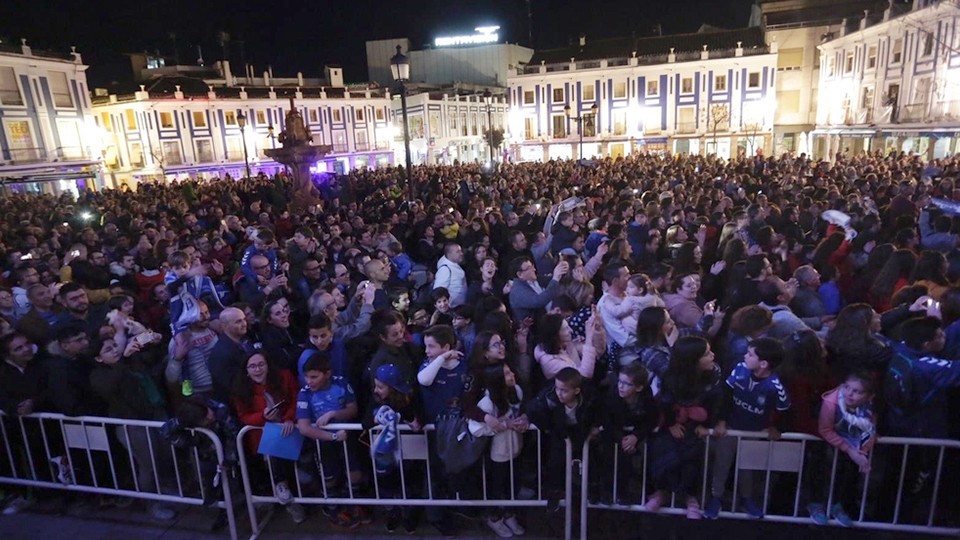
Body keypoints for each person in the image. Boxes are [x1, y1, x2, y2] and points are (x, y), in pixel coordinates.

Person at [704, 337, 791, 519]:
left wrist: (776, 428)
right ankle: (715, 498)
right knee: (721, 464)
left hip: (754, 432)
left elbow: (785, 411)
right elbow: (726, 396)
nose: (745, 355)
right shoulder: (739, 370)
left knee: (748, 468)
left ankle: (746, 499)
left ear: (764, 363)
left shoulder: (776, 387)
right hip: (731, 428)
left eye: (750, 354)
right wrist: (721, 421)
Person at [645, 336, 722, 519]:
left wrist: (709, 425)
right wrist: (671, 423)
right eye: (706, 354)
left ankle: (691, 497)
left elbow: (717, 402)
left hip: (698, 425)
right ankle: (659, 493)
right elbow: (664, 402)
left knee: (692, 459)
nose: (712, 356)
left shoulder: (714, 374)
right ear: (692, 360)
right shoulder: (671, 377)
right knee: (662, 452)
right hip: (672, 422)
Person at [231, 351, 305, 524]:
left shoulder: (284, 377)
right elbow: (243, 416)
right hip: (264, 437)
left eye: (261, 364)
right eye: (252, 366)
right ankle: (290, 501)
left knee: (297, 471)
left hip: (292, 428)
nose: (257, 369)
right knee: (280, 471)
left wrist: (289, 417)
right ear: (246, 370)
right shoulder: (240, 389)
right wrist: (263, 417)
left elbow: (297, 398)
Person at [295, 353, 362, 528]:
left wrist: (333, 414)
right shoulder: (304, 393)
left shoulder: (341, 383)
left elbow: (353, 409)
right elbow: (304, 427)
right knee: (329, 477)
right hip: (323, 442)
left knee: (354, 473)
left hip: (348, 437)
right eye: (307, 376)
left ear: (327, 374)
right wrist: (332, 436)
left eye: (314, 377)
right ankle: (333, 510)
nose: (309, 381)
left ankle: (352, 504)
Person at [468, 362, 528, 538]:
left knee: (513, 485)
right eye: (507, 374)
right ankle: (494, 518)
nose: (512, 375)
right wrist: (500, 425)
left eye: (510, 371)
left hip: (516, 447)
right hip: (496, 454)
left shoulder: (516, 391)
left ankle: (510, 514)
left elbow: (521, 409)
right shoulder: (487, 403)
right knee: (497, 487)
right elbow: (475, 428)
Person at [526, 367, 596, 511]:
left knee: (592, 461)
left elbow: (599, 411)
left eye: (564, 390)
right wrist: (549, 428)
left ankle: (593, 492)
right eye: (557, 388)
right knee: (555, 462)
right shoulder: (548, 396)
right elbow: (533, 410)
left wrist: (596, 426)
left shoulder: (589, 397)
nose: (559, 393)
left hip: (582, 433)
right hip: (559, 433)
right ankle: (554, 494)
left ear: (576, 391)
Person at [365, 363, 424, 534]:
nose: (377, 390)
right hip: (385, 456)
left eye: (381, 387)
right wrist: (378, 418)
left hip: (409, 453)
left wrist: (406, 418)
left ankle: (410, 513)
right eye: (376, 385)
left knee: (410, 483)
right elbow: (365, 421)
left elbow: (418, 422)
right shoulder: (374, 399)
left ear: (393, 388)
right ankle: (392, 513)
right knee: (387, 486)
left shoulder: (410, 399)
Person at [815, 371, 878, 527]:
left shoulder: (870, 408)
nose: (850, 394)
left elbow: (871, 431)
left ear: (869, 395)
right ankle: (818, 506)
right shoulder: (831, 402)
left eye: (857, 391)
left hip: (854, 446)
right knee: (825, 473)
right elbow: (825, 430)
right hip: (831, 443)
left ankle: (839, 506)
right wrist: (850, 450)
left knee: (849, 475)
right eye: (847, 388)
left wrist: (862, 452)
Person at [595, 362, 657, 505]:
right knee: (609, 461)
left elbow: (651, 419)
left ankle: (624, 493)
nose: (620, 386)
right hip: (614, 435)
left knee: (629, 464)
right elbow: (607, 421)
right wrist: (622, 439)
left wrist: (636, 436)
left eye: (626, 384)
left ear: (639, 387)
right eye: (620, 381)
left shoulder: (647, 398)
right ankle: (607, 492)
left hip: (633, 434)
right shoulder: (611, 396)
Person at [533, 310, 602, 380]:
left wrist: (597, 330)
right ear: (555, 335)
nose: (571, 330)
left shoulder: (565, 344)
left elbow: (597, 353)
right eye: (565, 328)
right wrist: (588, 338)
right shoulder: (550, 362)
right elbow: (585, 376)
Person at [432, 243, 467, 308]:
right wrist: (445, 307)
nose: (461, 253)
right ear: (449, 254)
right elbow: (438, 292)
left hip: (459, 308)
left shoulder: (454, 266)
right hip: (451, 309)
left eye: (461, 251)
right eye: (458, 252)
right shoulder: (445, 269)